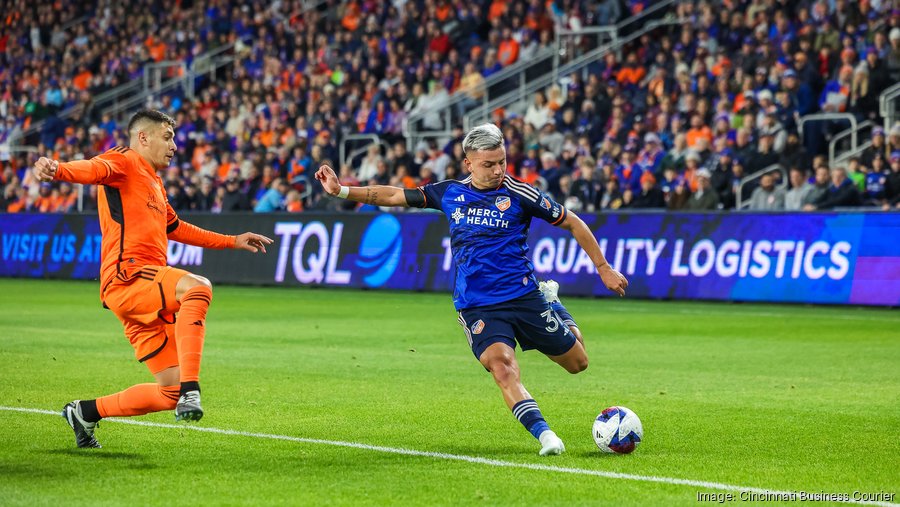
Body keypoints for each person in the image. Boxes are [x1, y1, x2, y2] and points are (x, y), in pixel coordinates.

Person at [315, 123, 628, 456]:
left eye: (502, 162)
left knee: (578, 362)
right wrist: (342, 191)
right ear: (469, 163)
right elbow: (392, 195)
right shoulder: (448, 192)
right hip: (477, 305)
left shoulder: (521, 194)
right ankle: (546, 436)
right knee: (502, 367)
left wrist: (603, 268)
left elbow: (572, 222)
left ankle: (552, 301)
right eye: (488, 164)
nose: (497, 171)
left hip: (523, 297)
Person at [32, 110, 273, 448]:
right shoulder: (124, 160)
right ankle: (193, 391)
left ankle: (84, 412)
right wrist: (58, 169)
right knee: (198, 288)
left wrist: (231, 240)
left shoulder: (154, 182)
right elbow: (94, 168)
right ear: (143, 137)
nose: (174, 145)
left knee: (168, 392)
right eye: (168, 136)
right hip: (128, 277)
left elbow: (176, 227)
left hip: (145, 292)